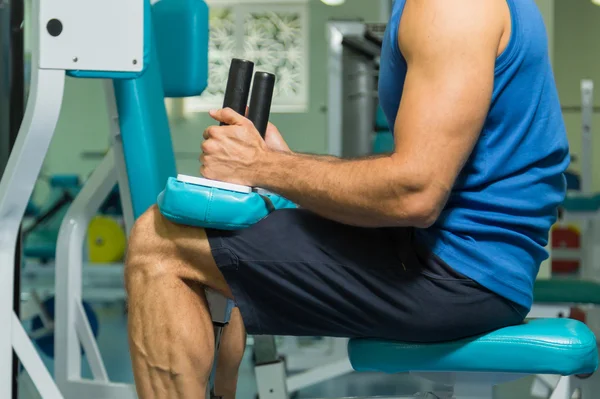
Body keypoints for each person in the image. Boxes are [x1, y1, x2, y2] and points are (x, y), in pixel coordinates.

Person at [124, 0, 569, 397]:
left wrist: (263, 167)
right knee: (222, 232)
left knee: (159, 240)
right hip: (462, 262)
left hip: (455, 274)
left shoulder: (448, 8)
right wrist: (283, 163)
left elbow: (415, 192)